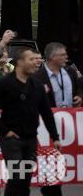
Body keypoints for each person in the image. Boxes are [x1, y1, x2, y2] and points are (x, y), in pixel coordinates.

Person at [0, 48, 60, 196]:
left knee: (25, 180)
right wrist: (4, 131)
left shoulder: (37, 85)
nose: (36, 62)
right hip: (11, 139)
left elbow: (46, 113)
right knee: (17, 176)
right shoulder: (4, 83)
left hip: (30, 139)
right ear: (19, 62)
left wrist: (55, 137)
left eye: (36, 59)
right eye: (31, 59)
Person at [30, 42, 81, 196]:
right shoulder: (37, 77)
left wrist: (80, 96)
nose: (66, 57)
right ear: (52, 57)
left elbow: (79, 87)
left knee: (71, 160)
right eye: (62, 55)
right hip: (48, 128)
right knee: (50, 163)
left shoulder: (70, 72)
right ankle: (51, 190)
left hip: (71, 126)